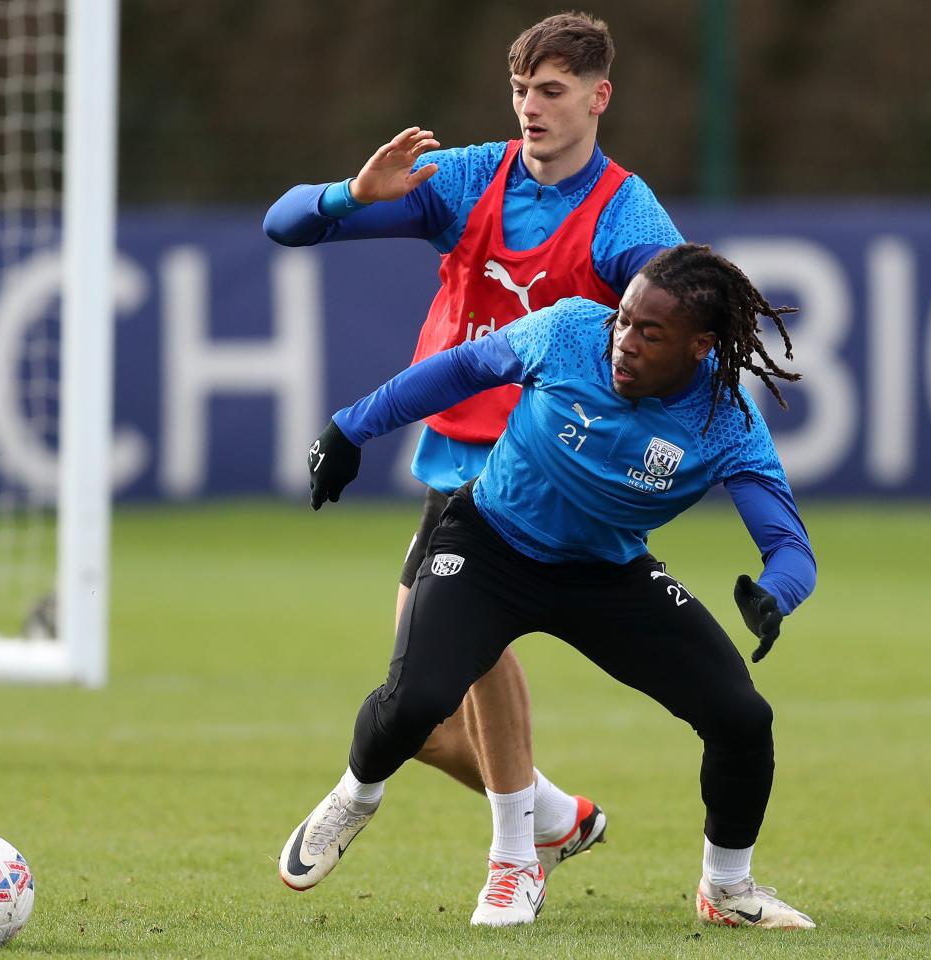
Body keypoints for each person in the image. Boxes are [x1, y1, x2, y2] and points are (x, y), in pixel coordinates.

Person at [265, 12, 684, 892]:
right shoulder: (464, 180)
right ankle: (556, 817)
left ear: (599, 98)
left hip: (540, 466)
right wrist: (353, 194)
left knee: (471, 626)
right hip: (455, 457)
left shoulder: (624, 213)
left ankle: (511, 855)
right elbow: (285, 224)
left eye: (553, 92)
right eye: (522, 90)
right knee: (418, 712)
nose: (532, 108)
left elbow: (677, 319)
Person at [302, 243, 819, 929]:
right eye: (625, 320)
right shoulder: (570, 329)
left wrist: (773, 595)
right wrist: (351, 427)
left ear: (700, 347)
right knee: (417, 702)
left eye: (649, 333)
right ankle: (355, 795)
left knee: (743, 718)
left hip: (606, 574)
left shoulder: (726, 421)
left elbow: (789, 545)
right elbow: (457, 371)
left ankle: (726, 889)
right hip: (489, 546)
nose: (624, 343)